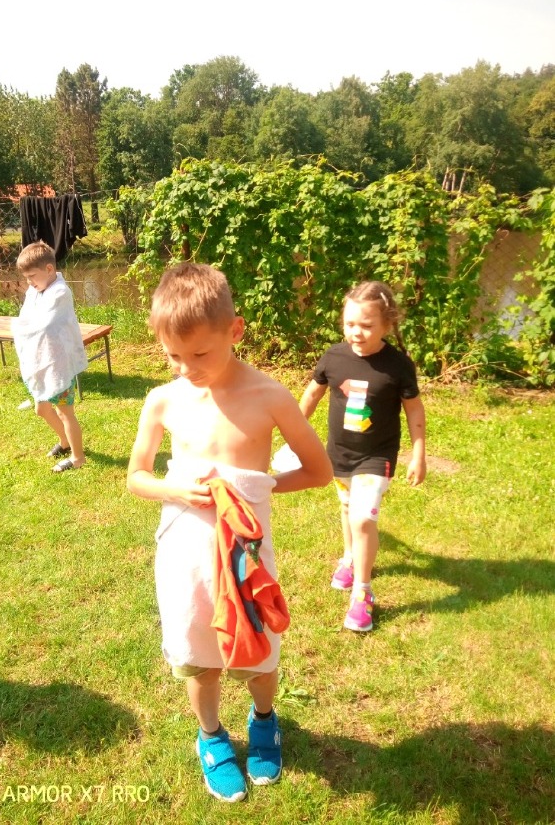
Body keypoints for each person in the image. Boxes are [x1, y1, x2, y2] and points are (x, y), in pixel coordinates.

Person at [127, 262, 333, 802]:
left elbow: (319, 470)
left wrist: (253, 490)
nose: (186, 368)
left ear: (235, 330)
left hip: (246, 558)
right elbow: (136, 477)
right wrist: (174, 489)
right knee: (199, 654)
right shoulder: (163, 400)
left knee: (258, 654)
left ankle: (264, 721)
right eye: (173, 356)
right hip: (186, 556)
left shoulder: (270, 396)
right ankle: (212, 737)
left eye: (199, 354)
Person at [298, 281, 426, 633]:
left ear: (387, 324)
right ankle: (350, 557)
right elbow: (311, 396)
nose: (357, 332)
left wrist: (418, 454)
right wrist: (295, 436)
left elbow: (415, 410)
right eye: (350, 324)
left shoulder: (397, 366)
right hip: (339, 454)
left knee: (362, 517)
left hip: (376, 456)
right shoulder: (334, 357)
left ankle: (362, 591)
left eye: (367, 325)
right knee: (347, 508)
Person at [12, 241, 88, 473]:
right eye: (26, 277)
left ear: (48, 269)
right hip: (41, 361)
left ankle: (78, 457)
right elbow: (26, 319)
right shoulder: (35, 291)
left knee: (65, 413)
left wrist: (22, 328)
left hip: (58, 364)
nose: (29, 282)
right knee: (42, 409)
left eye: (32, 276)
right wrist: (22, 327)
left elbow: (44, 325)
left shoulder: (60, 293)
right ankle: (65, 442)